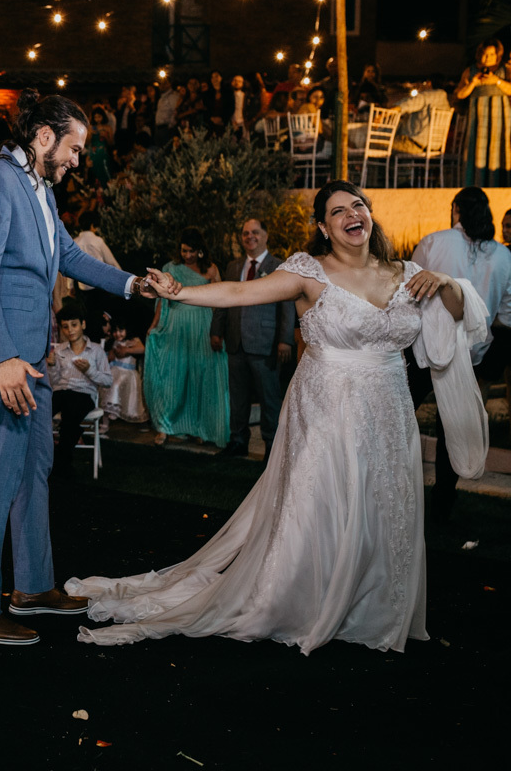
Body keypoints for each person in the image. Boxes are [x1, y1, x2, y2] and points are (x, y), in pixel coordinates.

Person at [68, 180, 487, 655]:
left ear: (370, 214)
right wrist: (181, 292)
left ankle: (370, 606)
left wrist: (449, 283)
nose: (353, 215)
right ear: (323, 227)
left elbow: (458, 314)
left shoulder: (407, 272)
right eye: (339, 211)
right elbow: (239, 293)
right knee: (323, 504)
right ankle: (303, 599)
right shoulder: (310, 272)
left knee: (381, 504)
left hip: (390, 413)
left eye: (359, 206)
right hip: (326, 409)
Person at [0, 88, 171, 646]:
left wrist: (132, 285)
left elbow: (67, 257)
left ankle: (34, 586)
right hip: (0, 357)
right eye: (74, 147)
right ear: (44, 137)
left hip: (34, 359)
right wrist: (2, 360)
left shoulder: (40, 188)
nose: (77, 159)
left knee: (33, 473)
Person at [409, 186, 511, 523]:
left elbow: (408, 292)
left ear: (456, 210)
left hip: (425, 350)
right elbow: (507, 316)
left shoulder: (434, 242)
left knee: (400, 415)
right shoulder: (504, 256)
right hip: (472, 356)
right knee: (452, 430)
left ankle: (396, 488)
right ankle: (442, 505)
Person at [211, 219, 295, 459]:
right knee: (237, 397)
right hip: (235, 342)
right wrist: (216, 331)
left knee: (269, 398)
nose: (250, 237)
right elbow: (223, 301)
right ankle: (237, 441)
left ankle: (272, 447)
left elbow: (287, 305)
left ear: (266, 236)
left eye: (255, 232)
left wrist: (285, 340)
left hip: (265, 343)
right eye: (245, 233)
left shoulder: (280, 266)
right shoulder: (233, 266)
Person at [144, 228, 230, 448]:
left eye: (192, 251)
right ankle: (165, 427)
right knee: (172, 377)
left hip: (202, 326)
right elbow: (162, 302)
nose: (188, 255)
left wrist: (216, 332)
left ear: (200, 251)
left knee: (201, 377)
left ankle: (199, 428)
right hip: (176, 325)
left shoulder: (211, 269)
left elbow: (218, 301)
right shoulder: (170, 269)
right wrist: (154, 326)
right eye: (184, 251)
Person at [47, 303, 113, 473]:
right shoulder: (59, 350)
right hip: (61, 393)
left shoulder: (96, 350)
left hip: (84, 396)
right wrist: (52, 366)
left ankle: (60, 459)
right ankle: (57, 458)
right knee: (42, 411)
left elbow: (107, 380)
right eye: (65, 327)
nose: (70, 330)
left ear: (83, 324)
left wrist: (89, 370)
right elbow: (53, 382)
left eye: (74, 325)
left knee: (71, 408)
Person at [456, 40, 511, 187]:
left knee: (499, 151)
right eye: (485, 54)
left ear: (498, 55)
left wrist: (497, 81)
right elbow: (460, 94)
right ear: (479, 55)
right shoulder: (471, 71)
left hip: (500, 118)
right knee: (476, 151)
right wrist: (473, 83)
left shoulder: (505, 70)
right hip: (478, 119)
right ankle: (475, 185)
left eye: (492, 54)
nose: (487, 58)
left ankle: (500, 184)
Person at [101, 321, 148, 424]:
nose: (118, 334)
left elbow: (142, 349)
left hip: (128, 372)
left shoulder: (133, 341)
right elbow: (108, 358)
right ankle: (105, 421)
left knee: (116, 384)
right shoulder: (112, 342)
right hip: (114, 370)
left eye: (121, 331)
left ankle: (115, 408)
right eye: (115, 331)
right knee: (108, 384)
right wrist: (111, 354)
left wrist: (127, 350)